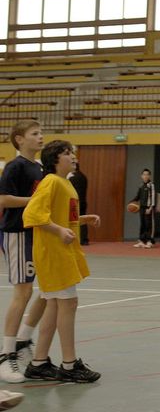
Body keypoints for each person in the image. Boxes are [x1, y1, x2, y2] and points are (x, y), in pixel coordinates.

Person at [22, 141, 101, 384]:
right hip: (53, 254)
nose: (73, 156)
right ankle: (69, 364)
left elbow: (63, 217)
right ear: (55, 159)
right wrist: (58, 231)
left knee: (54, 306)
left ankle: (38, 362)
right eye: (67, 153)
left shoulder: (66, 184)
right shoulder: (51, 182)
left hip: (60, 253)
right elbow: (32, 214)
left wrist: (84, 219)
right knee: (69, 303)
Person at [0, 121, 47, 384]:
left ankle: (23, 339)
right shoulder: (15, 166)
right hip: (17, 233)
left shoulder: (39, 167)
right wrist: (35, 201)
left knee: (51, 290)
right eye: (35, 134)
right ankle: (6, 355)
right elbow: (3, 200)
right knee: (23, 292)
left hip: (37, 233)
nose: (41, 137)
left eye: (41, 133)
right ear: (19, 139)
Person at [129, 169, 158, 249]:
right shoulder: (141, 185)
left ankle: (149, 241)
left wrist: (150, 208)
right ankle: (141, 241)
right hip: (141, 208)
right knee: (143, 224)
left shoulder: (151, 185)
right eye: (144, 174)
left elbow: (153, 197)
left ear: (149, 176)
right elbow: (138, 196)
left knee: (149, 225)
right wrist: (131, 203)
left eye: (147, 174)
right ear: (141, 176)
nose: (145, 176)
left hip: (149, 208)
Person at [68, 158, 88, 246]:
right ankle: (85, 238)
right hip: (83, 200)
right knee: (83, 219)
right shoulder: (83, 176)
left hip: (75, 201)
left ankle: (79, 238)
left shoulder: (72, 177)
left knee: (76, 219)